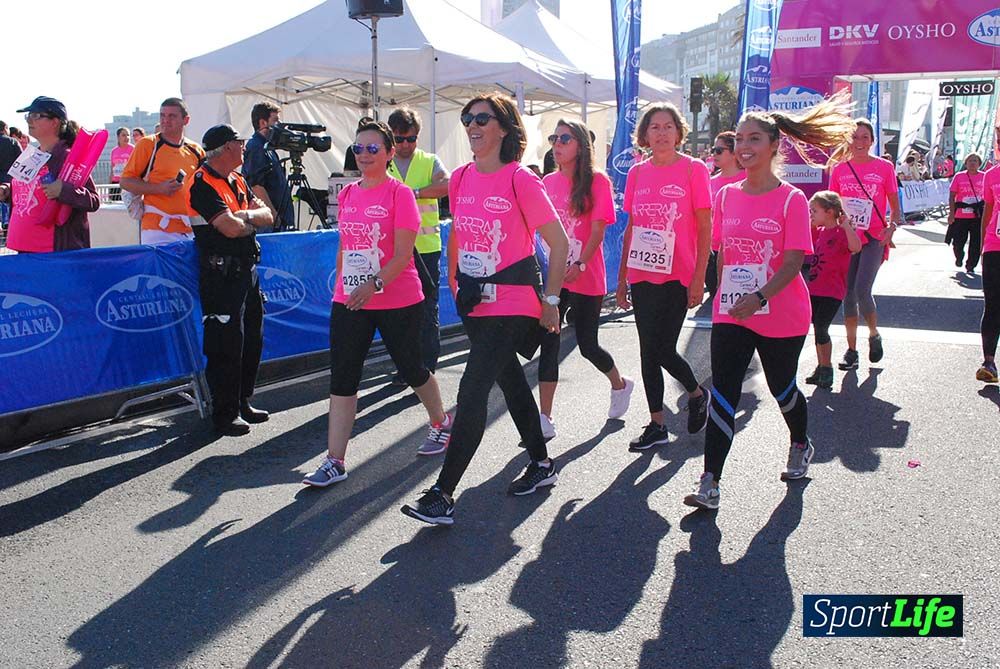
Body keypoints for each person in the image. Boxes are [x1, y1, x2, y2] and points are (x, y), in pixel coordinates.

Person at [400, 92, 569, 526]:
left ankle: (443, 493)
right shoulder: (459, 179)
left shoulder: (520, 179)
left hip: (514, 301)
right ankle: (542, 463)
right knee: (510, 381)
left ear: (505, 128)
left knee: (472, 391)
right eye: (467, 118)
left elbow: (560, 242)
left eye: (482, 118)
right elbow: (459, 236)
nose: (472, 125)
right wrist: (457, 285)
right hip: (474, 301)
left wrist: (551, 301)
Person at [683, 94, 856, 510]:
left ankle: (800, 442)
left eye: (754, 139)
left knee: (782, 388)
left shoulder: (793, 199)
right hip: (733, 311)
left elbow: (795, 260)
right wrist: (723, 297)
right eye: (740, 138)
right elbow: (723, 252)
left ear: (774, 145)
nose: (744, 147)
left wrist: (759, 296)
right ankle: (710, 482)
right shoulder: (726, 196)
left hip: (782, 312)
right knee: (723, 390)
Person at [302, 121, 454, 486]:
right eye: (359, 148)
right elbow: (346, 243)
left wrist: (374, 284)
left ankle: (441, 422)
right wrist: (342, 284)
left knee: (413, 368)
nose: (365, 155)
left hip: (397, 297)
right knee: (344, 375)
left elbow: (403, 255)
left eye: (373, 149)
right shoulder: (350, 194)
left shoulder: (400, 194)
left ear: (388, 154)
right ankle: (335, 460)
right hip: (352, 297)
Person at [615, 103, 711, 451]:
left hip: (677, 274)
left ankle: (697, 393)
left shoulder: (693, 169)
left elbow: (704, 225)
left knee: (662, 349)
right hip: (642, 274)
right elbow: (631, 228)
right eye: (654, 127)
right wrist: (622, 277)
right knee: (646, 351)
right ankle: (657, 424)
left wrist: (699, 277)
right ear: (645, 135)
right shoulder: (638, 173)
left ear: (679, 132)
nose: (661, 133)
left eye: (668, 126)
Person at [537, 120, 633, 437]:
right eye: (554, 138)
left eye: (564, 138)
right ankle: (545, 417)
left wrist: (579, 262)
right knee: (548, 342)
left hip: (585, 274)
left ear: (580, 144)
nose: (557, 143)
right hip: (555, 275)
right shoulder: (547, 182)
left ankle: (620, 385)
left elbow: (597, 229)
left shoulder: (597, 182)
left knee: (588, 345)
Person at [187, 124, 273, 435]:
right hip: (220, 275)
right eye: (239, 142)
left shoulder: (237, 179)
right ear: (226, 148)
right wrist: (246, 220)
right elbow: (229, 228)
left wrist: (246, 217)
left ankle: (243, 401)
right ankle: (225, 411)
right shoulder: (201, 183)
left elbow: (268, 215)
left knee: (252, 338)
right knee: (225, 343)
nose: (244, 146)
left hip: (247, 270)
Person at [829, 118, 904, 371]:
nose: (860, 142)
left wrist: (891, 229)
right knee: (847, 294)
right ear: (848, 140)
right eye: (855, 137)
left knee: (862, 289)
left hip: (873, 237)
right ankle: (851, 351)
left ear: (872, 141)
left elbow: (895, 207)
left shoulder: (884, 168)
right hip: (848, 238)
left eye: (865, 137)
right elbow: (833, 206)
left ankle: (873, 334)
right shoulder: (839, 170)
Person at [386, 107, 450, 377]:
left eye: (410, 139)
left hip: (425, 249)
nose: (405, 145)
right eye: (399, 139)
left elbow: (447, 184)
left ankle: (426, 371)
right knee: (398, 313)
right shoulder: (382, 160)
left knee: (426, 310)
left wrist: (414, 192)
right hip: (390, 249)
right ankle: (407, 368)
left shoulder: (428, 160)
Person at [0, 97, 98, 253]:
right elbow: (27, 191)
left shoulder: (68, 158)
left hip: (53, 254)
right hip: (25, 250)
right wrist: (7, 190)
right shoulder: (31, 155)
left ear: (55, 122)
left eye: (36, 116)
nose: (29, 120)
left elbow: (93, 200)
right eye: (28, 116)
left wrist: (64, 190)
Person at [120, 97, 205, 245]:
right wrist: (159, 188)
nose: (165, 120)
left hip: (189, 229)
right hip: (156, 230)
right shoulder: (148, 144)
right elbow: (125, 181)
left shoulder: (196, 150)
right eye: (162, 115)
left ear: (186, 120)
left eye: (172, 116)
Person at [802, 191, 862, 389]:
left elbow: (856, 247)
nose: (812, 214)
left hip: (832, 290)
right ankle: (821, 366)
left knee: (821, 327)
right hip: (815, 287)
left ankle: (827, 368)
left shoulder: (841, 233)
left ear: (829, 212)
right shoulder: (819, 232)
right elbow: (803, 244)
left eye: (815, 211)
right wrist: (809, 223)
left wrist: (845, 226)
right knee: (817, 328)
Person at [242, 101, 293, 231]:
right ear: (263, 123)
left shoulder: (268, 148)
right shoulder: (256, 147)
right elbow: (256, 185)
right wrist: (273, 216)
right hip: (270, 224)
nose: (279, 125)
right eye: (275, 120)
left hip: (278, 220)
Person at [708, 131, 745, 297]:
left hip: (738, 249)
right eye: (713, 150)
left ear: (734, 152)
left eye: (719, 150)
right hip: (712, 249)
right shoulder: (710, 181)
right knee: (716, 296)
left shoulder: (748, 178)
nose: (714, 154)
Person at [978, 163, 1000, 383]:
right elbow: (989, 209)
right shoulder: (992, 175)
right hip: (995, 246)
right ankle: (989, 362)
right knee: (993, 304)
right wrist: (984, 244)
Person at [947, 153, 986, 273]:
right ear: (965, 163)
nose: (972, 163)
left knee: (975, 242)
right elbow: (952, 195)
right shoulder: (959, 176)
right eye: (970, 161)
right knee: (958, 241)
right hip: (961, 215)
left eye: (975, 161)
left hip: (978, 215)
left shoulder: (984, 176)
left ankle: (971, 265)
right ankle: (959, 257)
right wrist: (951, 213)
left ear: (979, 164)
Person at [109, 127, 133, 202]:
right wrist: (110, 185)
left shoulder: (133, 149)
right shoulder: (114, 151)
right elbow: (112, 169)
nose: (127, 137)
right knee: (115, 205)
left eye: (128, 135)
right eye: (123, 135)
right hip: (116, 182)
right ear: (118, 137)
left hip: (128, 182)